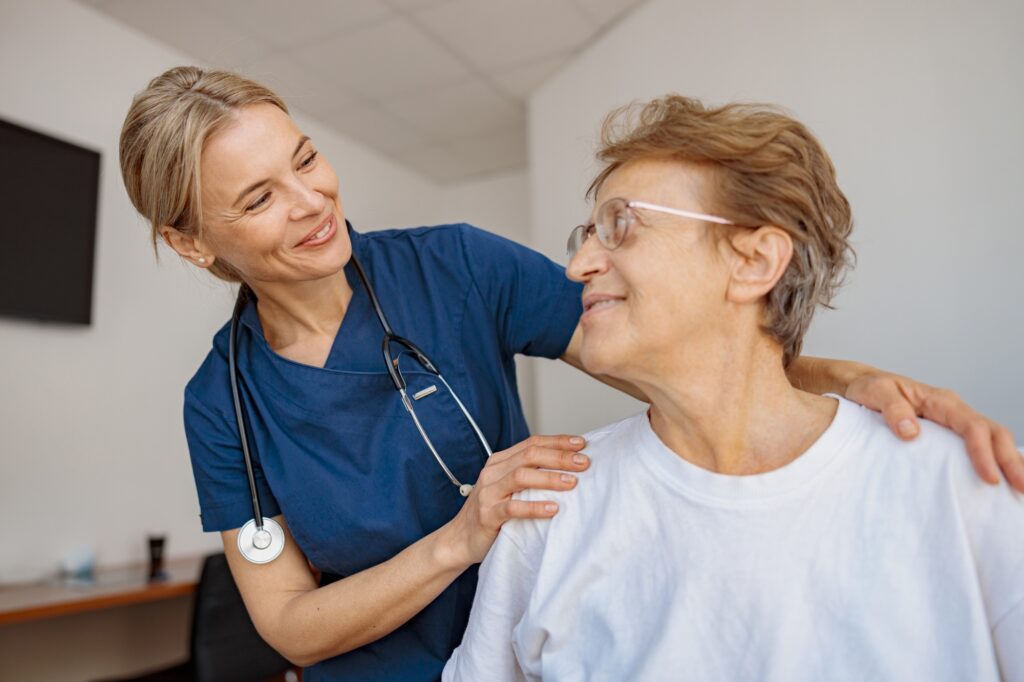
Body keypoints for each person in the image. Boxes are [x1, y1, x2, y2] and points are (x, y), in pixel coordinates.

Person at [118, 68, 1022, 681]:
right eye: (259, 198)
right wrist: (462, 537)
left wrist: (846, 382)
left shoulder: (455, 271)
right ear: (193, 242)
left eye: (305, 158)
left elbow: (680, 348)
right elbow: (284, 623)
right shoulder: (222, 405)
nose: (312, 201)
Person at [443, 96, 1024, 681]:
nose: (578, 266)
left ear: (753, 261)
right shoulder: (549, 508)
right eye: (587, 234)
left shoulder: (960, 481)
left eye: (621, 224)